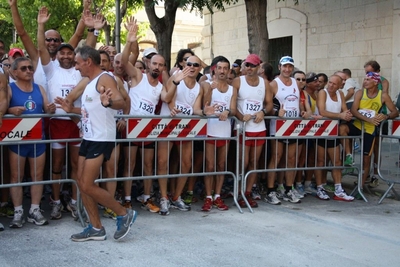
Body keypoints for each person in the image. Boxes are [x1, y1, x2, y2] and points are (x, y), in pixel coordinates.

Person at [70, 46, 136, 241]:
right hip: (89, 137)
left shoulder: (104, 79)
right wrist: (70, 108)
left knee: (88, 184)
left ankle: (124, 213)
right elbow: (90, 111)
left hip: (101, 138)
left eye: (77, 63)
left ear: (88, 62)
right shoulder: (89, 83)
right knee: (82, 183)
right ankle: (96, 228)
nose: (75, 67)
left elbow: (120, 102)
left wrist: (109, 103)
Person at [37, 6, 83, 220]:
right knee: (56, 166)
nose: (65, 55)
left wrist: (88, 24)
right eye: (62, 52)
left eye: (69, 52)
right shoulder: (51, 67)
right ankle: (55, 202)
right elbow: (40, 46)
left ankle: (74, 202)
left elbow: (85, 41)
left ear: (74, 55)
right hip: (57, 122)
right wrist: (41, 25)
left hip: (75, 121)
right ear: (57, 55)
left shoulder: (78, 70)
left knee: (76, 165)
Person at [157, 55, 209, 215]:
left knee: (186, 163)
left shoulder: (199, 87)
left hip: (185, 126)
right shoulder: (175, 77)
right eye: (189, 64)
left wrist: (204, 112)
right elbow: (167, 97)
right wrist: (173, 107)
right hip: (168, 124)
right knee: (163, 162)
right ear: (184, 65)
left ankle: (177, 196)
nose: (192, 67)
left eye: (195, 65)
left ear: (199, 68)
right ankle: (164, 197)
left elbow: (195, 109)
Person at [7, 57, 56, 228]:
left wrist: (50, 109)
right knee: (16, 177)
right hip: (18, 141)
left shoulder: (39, 88)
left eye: (30, 68)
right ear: (14, 72)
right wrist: (10, 110)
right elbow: (2, 108)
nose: (29, 70)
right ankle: (18, 211)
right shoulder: (9, 89)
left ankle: (35, 210)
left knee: (37, 176)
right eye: (24, 68)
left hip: (37, 140)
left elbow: (47, 109)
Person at [121, 22, 163, 213]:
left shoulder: (162, 85)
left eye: (161, 65)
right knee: (129, 164)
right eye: (155, 63)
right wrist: (130, 42)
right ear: (148, 63)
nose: (157, 67)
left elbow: (168, 98)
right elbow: (123, 63)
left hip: (149, 128)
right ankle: (127, 199)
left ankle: (147, 198)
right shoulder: (138, 75)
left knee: (148, 165)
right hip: (132, 125)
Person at [339, 72, 398, 190]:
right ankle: (349, 155)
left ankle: (360, 187)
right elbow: (354, 110)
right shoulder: (360, 93)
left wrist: (385, 116)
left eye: (367, 80)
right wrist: (369, 119)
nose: (364, 81)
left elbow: (395, 112)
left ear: (375, 82)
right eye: (364, 79)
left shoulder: (383, 95)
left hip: (370, 130)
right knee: (342, 128)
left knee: (366, 159)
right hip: (357, 124)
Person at [233, 54, 273, 208]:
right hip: (243, 129)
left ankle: (248, 193)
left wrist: (263, 111)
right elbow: (233, 104)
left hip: (259, 128)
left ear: (258, 67)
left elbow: (269, 104)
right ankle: (238, 192)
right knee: (243, 162)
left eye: (252, 66)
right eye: (247, 65)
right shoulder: (238, 81)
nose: (249, 68)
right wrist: (241, 116)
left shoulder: (264, 83)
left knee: (254, 163)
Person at [265, 56, 305, 205]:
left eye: (290, 67)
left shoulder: (295, 82)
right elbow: (267, 105)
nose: (287, 69)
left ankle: (289, 189)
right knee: (276, 157)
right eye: (285, 66)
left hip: (293, 125)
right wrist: (276, 113)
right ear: (280, 67)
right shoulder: (274, 84)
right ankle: (270, 191)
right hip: (279, 125)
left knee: (291, 159)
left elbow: (297, 101)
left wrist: (303, 112)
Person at [201, 56, 237, 212]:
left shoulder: (232, 89)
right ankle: (208, 196)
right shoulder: (206, 85)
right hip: (210, 130)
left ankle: (217, 195)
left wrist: (228, 111)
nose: (222, 71)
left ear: (228, 71)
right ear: (214, 69)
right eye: (220, 68)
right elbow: (204, 105)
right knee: (210, 165)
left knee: (221, 165)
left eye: (225, 68)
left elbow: (234, 109)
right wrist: (210, 89)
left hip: (225, 131)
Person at [315, 75, 354, 201]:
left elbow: (344, 109)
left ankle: (338, 189)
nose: (331, 85)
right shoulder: (323, 92)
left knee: (337, 161)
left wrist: (346, 114)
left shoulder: (340, 94)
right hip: (322, 130)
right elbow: (322, 111)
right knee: (321, 161)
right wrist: (340, 115)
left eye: (334, 84)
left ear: (339, 85)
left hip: (334, 131)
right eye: (330, 83)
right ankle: (320, 188)